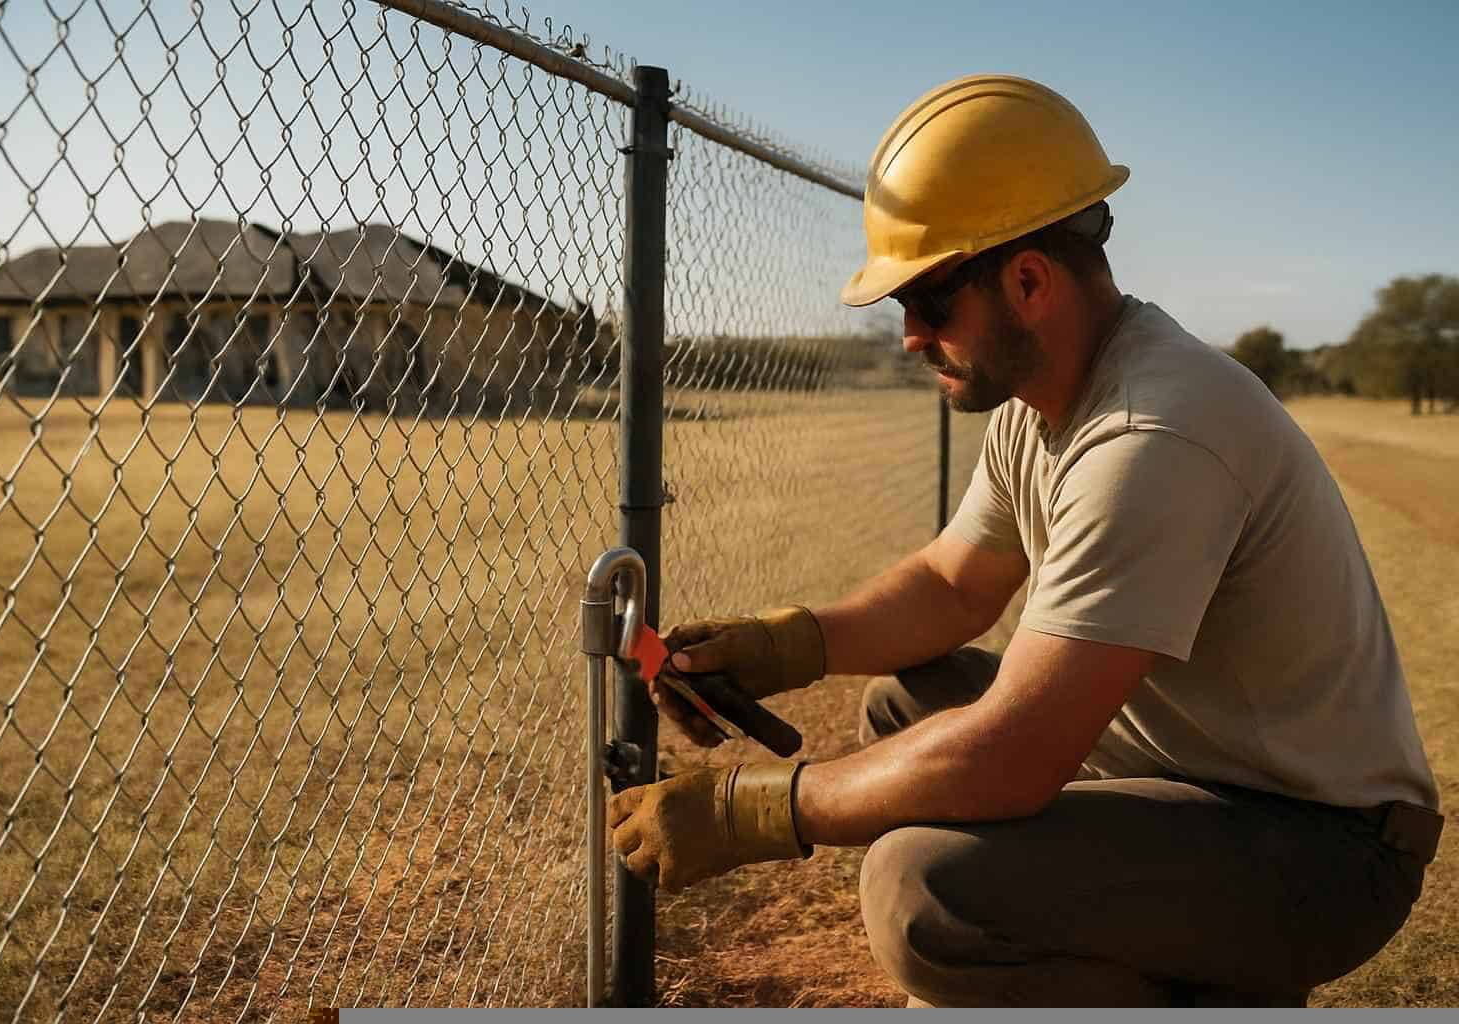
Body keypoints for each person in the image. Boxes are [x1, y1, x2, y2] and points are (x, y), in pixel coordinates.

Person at [605, 74, 1444, 1007]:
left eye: (926, 302)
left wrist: (750, 811)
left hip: (1322, 845)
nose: (912, 337)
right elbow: (954, 586)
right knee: (902, 707)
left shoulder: (1151, 436)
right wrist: (778, 646)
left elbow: (1013, 754)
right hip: (1182, 777)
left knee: (922, 889)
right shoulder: (1051, 399)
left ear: (1029, 279)